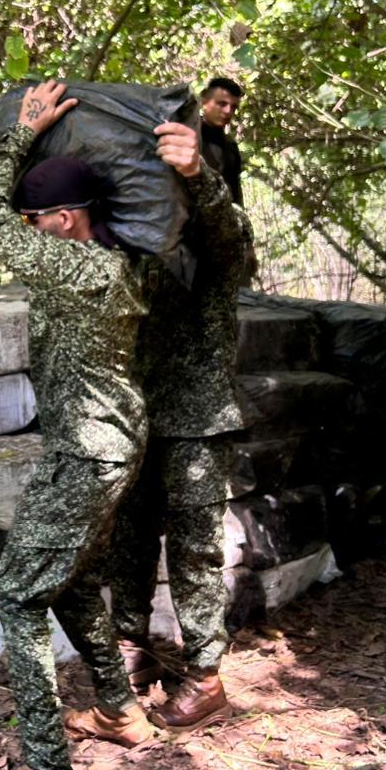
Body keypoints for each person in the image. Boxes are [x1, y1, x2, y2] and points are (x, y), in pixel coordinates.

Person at [0, 79, 189, 770]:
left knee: (17, 593)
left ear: (64, 221)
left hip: (87, 454)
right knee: (64, 580)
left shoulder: (79, 268)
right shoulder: (112, 264)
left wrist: (17, 136)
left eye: (36, 220)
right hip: (104, 445)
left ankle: (46, 769)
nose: (27, 232)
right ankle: (120, 710)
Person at [108, 114, 250, 731]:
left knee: (194, 551)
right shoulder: (130, 246)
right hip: (133, 412)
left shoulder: (216, 241)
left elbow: (231, 233)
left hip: (195, 416)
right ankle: (130, 645)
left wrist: (199, 174)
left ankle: (205, 675)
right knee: (128, 539)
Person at [198, 76, 244, 206]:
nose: (228, 111)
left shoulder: (230, 147)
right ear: (204, 102)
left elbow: (235, 191)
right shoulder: (188, 135)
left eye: (233, 107)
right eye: (222, 104)